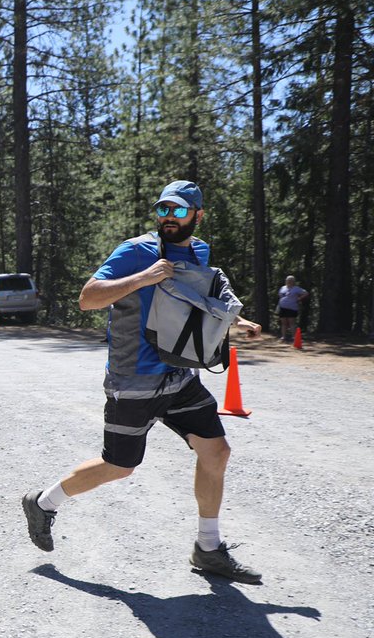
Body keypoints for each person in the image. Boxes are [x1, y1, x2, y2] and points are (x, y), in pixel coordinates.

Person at [21, 180, 265, 583]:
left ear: (197, 215)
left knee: (216, 452)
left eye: (179, 211)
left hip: (178, 374)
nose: (170, 218)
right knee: (119, 466)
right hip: (133, 377)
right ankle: (44, 502)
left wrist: (236, 319)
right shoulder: (137, 251)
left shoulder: (199, 251)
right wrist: (142, 277)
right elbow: (88, 297)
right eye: (163, 210)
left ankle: (207, 548)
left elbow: (195, 299)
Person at [277, 276, 309, 342]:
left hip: (292, 308)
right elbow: (280, 294)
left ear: (293, 281)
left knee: (292, 322)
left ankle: (294, 337)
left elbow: (306, 293)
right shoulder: (283, 288)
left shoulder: (296, 288)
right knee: (284, 323)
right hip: (283, 307)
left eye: (290, 280)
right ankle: (283, 337)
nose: (288, 281)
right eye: (287, 280)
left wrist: (299, 298)